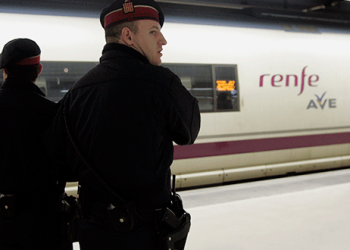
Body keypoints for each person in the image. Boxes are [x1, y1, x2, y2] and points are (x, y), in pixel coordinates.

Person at [44, 0, 201, 249]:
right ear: (128, 36)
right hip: (146, 232)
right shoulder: (161, 83)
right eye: (153, 31)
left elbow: (58, 159)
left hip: (93, 231)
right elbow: (188, 133)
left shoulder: (76, 92)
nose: (163, 40)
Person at [0, 38, 73, 250]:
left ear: (5, 71)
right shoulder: (52, 113)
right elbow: (67, 166)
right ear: (39, 69)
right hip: (44, 223)